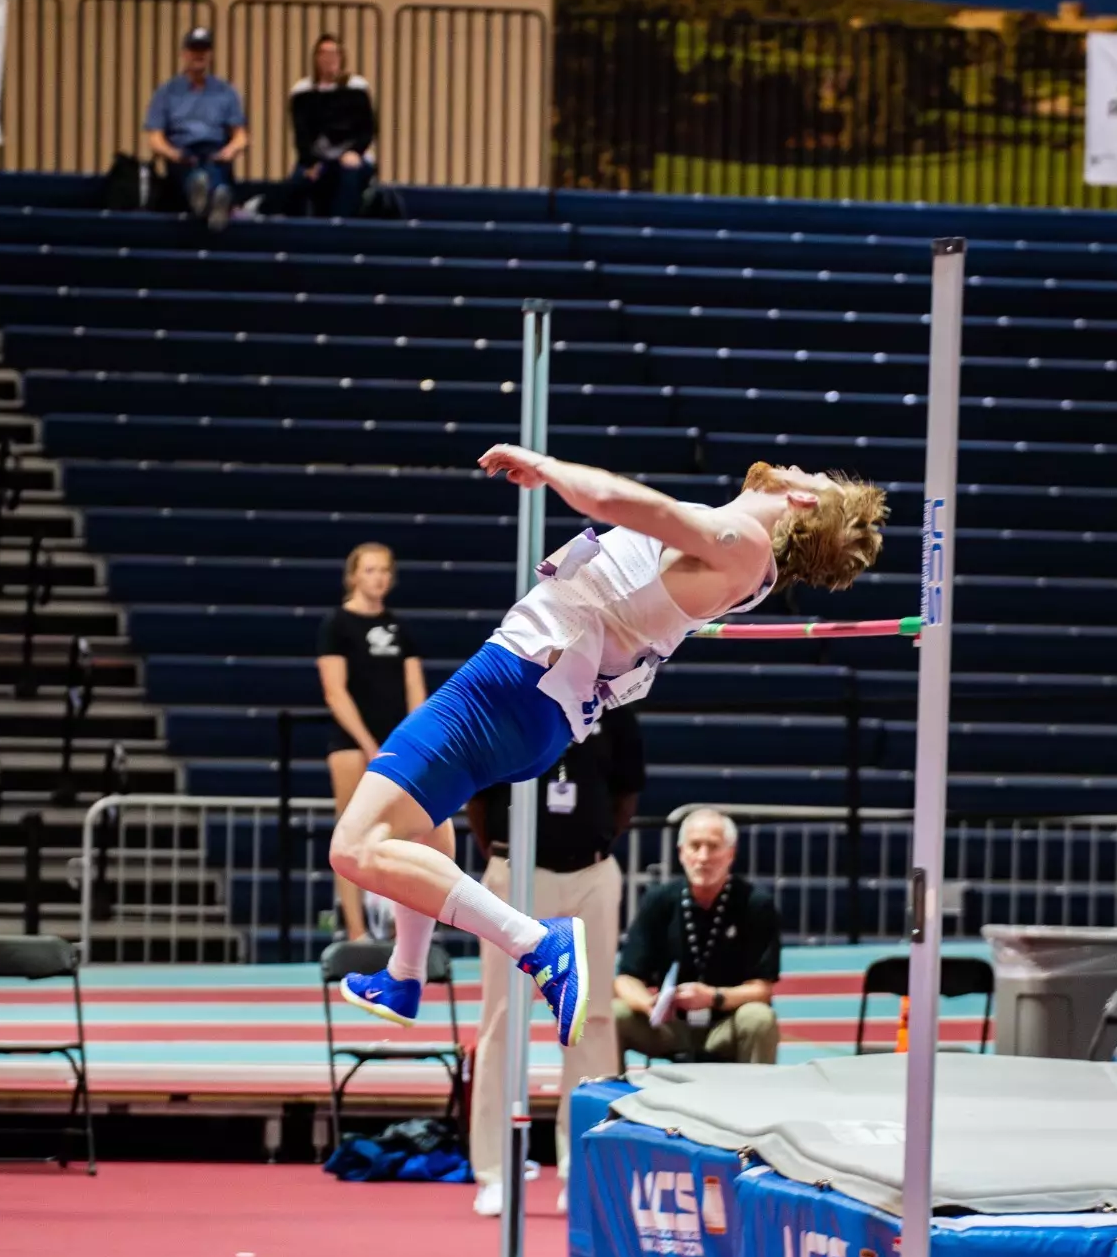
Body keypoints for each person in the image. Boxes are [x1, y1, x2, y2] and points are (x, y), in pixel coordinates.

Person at [330, 449, 886, 1052]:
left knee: (354, 847)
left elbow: (624, 504)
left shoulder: (743, 542)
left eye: (813, 476)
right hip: (538, 702)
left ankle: (536, 943)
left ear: (803, 502)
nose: (797, 467)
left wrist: (544, 468)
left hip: (513, 684)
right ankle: (405, 976)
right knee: (417, 823)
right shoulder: (747, 564)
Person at [465, 708, 645, 1218]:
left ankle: (583, 1167)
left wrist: (599, 842)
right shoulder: (512, 694)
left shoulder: (616, 700)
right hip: (517, 869)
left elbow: (627, 788)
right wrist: (499, 854)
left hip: (590, 871)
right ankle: (496, 1171)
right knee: (503, 1019)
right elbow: (478, 794)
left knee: (593, 1016)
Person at [317, 543, 426, 945]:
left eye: (384, 570)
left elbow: (416, 690)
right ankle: (357, 930)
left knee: (401, 835)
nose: (377, 577)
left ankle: (402, 929)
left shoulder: (401, 629)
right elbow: (335, 692)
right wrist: (368, 744)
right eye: (369, 570)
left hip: (396, 744)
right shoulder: (337, 625)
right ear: (353, 576)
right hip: (351, 744)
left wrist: (413, 740)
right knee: (351, 833)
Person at [614, 809, 781, 1066]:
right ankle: (611, 1101)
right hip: (670, 1025)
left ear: (730, 854)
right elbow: (626, 979)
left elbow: (762, 989)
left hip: (726, 1024)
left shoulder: (755, 904)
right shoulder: (659, 900)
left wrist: (713, 996)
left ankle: (753, 1103)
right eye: (695, 846)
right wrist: (649, 1004)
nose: (703, 857)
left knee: (759, 1018)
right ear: (682, 853)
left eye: (713, 847)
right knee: (615, 1014)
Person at [143, 27, 248, 231]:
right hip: (182, 151)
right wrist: (171, 153)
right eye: (194, 49)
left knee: (212, 165)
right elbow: (155, 137)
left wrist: (231, 150)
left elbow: (240, 134)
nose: (199, 54)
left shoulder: (226, 92)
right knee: (193, 169)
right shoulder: (167, 92)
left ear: (210, 54)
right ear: (184, 53)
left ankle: (207, 196)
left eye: (204, 49)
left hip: (214, 149)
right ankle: (213, 195)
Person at [289, 34, 377, 219]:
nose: (329, 58)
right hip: (317, 157)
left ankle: (340, 228)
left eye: (334, 53)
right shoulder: (302, 91)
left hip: (352, 155)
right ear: (316, 58)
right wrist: (311, 162)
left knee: (348, 175)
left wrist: (354, 151)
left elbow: (367, 129)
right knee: (296, 182)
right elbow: (301, 134)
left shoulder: (357, 88)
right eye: (324, 53)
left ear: (342, 57)